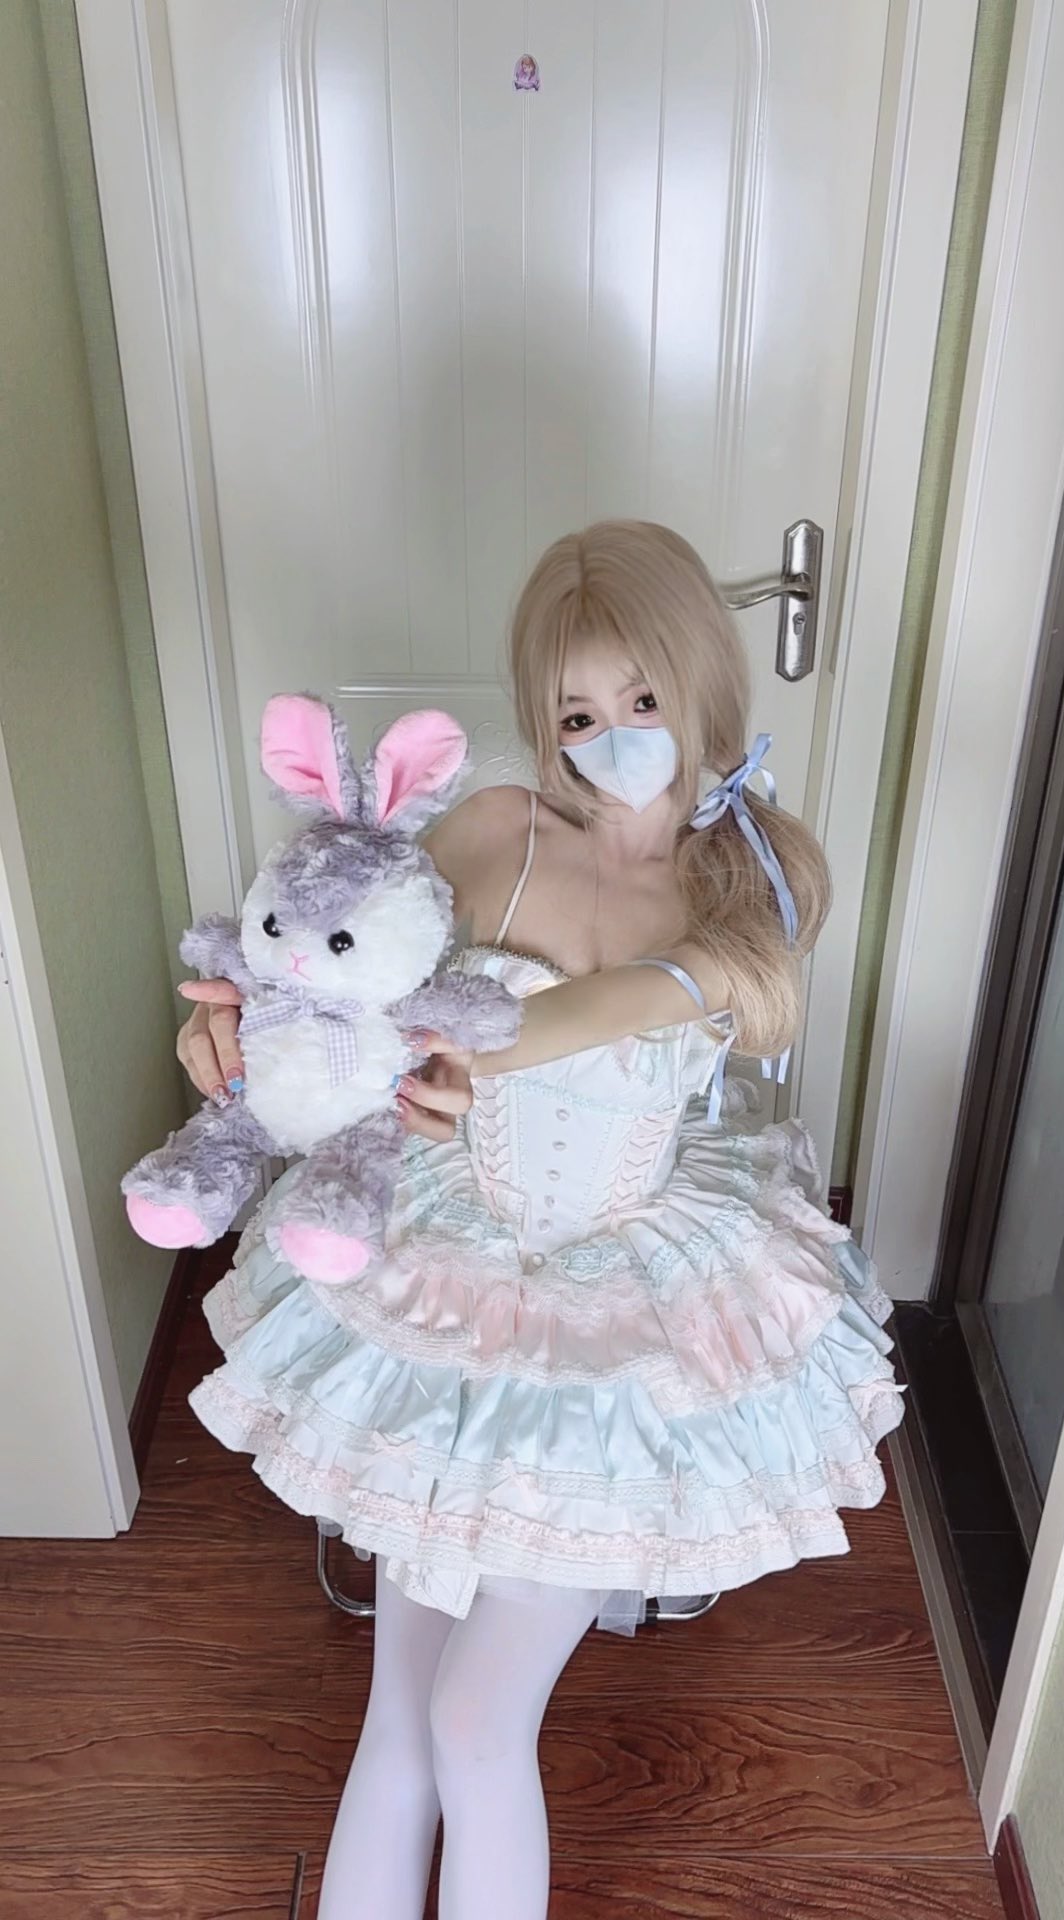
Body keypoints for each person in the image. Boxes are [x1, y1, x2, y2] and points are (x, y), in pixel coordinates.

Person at [178, 521, 903, 1920]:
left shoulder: (753, 879)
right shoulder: (497, 831)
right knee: (400, 1721)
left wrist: (469, 1043)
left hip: (619, 1326)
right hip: (447, 1279)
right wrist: (242, 1032)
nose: (613, 736)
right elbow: (341, 964)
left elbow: (631, 1001)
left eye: (643, 698)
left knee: (473, 1723)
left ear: (703, 684)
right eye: (576, 712)